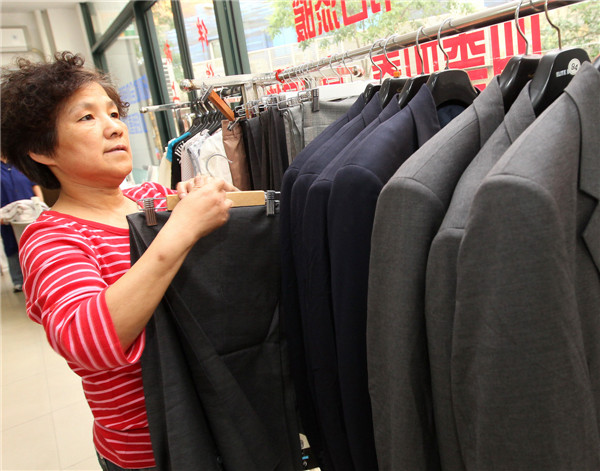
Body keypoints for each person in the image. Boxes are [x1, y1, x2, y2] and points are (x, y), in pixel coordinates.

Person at [0, 51, 235, 471]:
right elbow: (86, 341)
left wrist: (196, 202)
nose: (113, 127)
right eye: (86, 118)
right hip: (153, 447)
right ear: (40, 149)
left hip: (222, 417)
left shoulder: (150, 199)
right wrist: (179, 230)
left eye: (112, 112)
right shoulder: (52, 237)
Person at [0, 154, 44, 292]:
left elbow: (34, 184)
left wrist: (40, 204)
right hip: (7, 214)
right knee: (11, 245)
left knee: (34, 244)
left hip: (30, 212)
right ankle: (18, 281)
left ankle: (39, 277)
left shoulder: (20, 162)